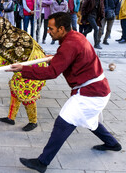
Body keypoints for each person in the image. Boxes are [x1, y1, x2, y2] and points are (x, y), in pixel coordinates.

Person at [8, 12, 122, 173]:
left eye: (51, 28)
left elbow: (51, 72)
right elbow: (67, 57)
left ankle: (42, 162)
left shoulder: (69, 44)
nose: (48, 31)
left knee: (64, 121)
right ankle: (112, 144)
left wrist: (23, 69)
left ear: (61, 29)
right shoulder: (74, 37)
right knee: (90, 120)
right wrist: (54, 57)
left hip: (92, 93)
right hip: (98, 89)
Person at [0, 17, 47, 131]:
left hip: (33, 67)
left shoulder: (9, 41)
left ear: (1, 28)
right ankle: (11, 118)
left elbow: (1, 63)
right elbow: (8, 55)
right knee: (15, 88)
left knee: (26, 94)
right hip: (26, 64)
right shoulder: (11, 33)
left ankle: (33, 121)